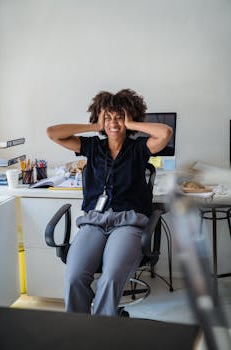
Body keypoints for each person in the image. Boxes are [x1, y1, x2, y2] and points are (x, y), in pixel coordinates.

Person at [46, 88, 172, 316]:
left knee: (110, 278)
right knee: (74, 277)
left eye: (119, 117)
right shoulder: (92, 147)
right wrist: (96, 125)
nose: (113, 123)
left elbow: (165, 133)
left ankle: (102, 334)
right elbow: (53, 133)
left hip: (127, 223)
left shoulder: (138, 149)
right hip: (94, 222)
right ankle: (77, 332)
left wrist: (131, 124)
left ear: (129, 118)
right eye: (108, 117)